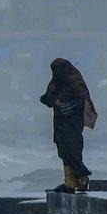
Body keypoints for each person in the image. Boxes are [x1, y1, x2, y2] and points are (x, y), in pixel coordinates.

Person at [39, 58, 98, 193]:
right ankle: (71, 182)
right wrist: (52, 96)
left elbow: (82, 99)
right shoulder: (55, 83)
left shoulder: (74, 81)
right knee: (64, 152)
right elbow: (47, 100)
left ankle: (81, 179)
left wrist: (70, 105)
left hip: (73, 123)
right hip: (60, 123)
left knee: (72, 151)